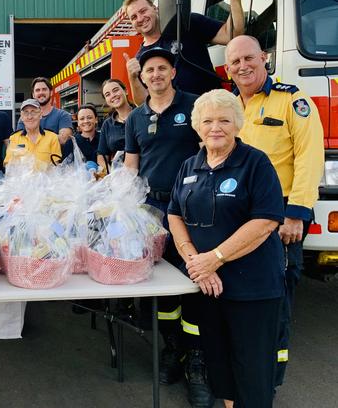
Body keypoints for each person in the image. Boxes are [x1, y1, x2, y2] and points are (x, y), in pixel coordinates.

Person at [168, 89, 286, 407]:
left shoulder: (255, 163)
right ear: (197, 126)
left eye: (224, 120)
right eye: (207, 120)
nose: (215, 127)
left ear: (237, 124)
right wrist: (195, 262)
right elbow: (174, 213)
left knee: (252, 373)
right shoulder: (190, 165)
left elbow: (265, 222)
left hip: (252, 288)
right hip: (210, 287)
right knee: (222, 371)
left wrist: (214, 259)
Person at [225, 35, 324, 387]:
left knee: (276, 297)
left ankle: (270, 376)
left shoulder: (291, 100)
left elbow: (310, 157)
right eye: (235, 62)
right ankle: (242, 367)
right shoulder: (231, 107)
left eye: (248, 58)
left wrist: (296, 213)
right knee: (239, 294)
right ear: (228, 69)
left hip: (279, 215)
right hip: (236, 216)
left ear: (263, 58)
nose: (242, 66)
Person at [124, 47, 213, 407]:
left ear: (173, 72)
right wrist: (122, 208)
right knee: (162, 286)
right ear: (142, 78)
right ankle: (172, 349)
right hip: (151, 211)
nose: (156, 74)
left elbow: (211, 150)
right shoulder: (135, 118)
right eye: (150, 70)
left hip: (192, 210)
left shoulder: (195, 107)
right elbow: (132, 167)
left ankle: (197, 362)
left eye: (162, 68)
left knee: (195, 280)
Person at [123, 0, 244, 104]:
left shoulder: (186, 23)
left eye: (143, 11)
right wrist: (133, 78)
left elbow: (232, 35)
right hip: (177, 120)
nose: (140, 18)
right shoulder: (140, 58)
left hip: (214, 108)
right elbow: (142, 103)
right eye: (134, 17)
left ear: (155, 8)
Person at [16, 77, 73, 156]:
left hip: (57, 165)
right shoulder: (25, 118)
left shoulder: (63, 115)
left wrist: (34, 138)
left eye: (44, 89)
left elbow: (63, 139)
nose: (41, 92)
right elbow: (19, 141)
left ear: (51, 92)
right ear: (33, 95)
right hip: (30, 165)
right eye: (37, 90)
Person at [6, 98, 62, 169]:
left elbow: (55, 168)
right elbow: (9, 166)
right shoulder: (14, 138)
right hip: (21, 180)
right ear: (22, 117)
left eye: (33, 112)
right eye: (26, 112)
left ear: (40, 115)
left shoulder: (52, 138)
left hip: (45, 179)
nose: (30, 117)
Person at [97, 78, 133, 172]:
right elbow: (101, 156)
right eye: (107, 94)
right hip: (120, 181)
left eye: (115, 90)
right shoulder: (107, 124)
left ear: (126, 91)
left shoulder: (139, 115)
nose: (113, 96)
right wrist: (111, 175)